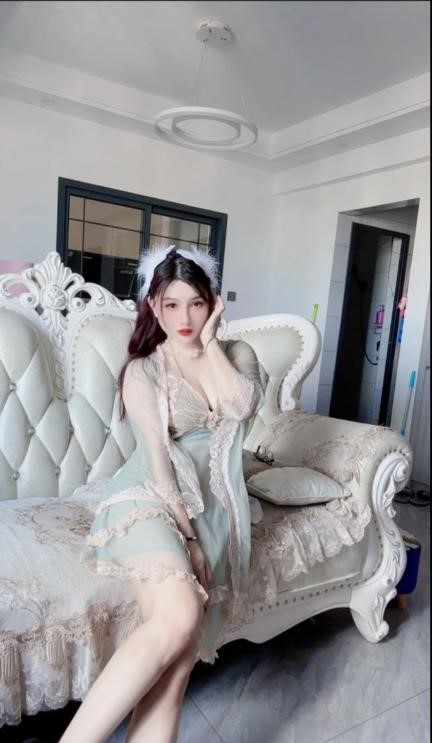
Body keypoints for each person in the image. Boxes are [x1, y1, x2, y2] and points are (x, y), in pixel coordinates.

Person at [59, 245, 265, 743]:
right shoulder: (143, 370)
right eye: (171, 304)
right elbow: (157, 463)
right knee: (181, 614)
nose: (184, 318)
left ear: (212, 303)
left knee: (177, 668)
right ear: (153, 306)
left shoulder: (237, 354)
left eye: (196, 303)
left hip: (214, 511)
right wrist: (190, 540)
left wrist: (210, 341)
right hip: (149, 498)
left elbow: (243, 406)